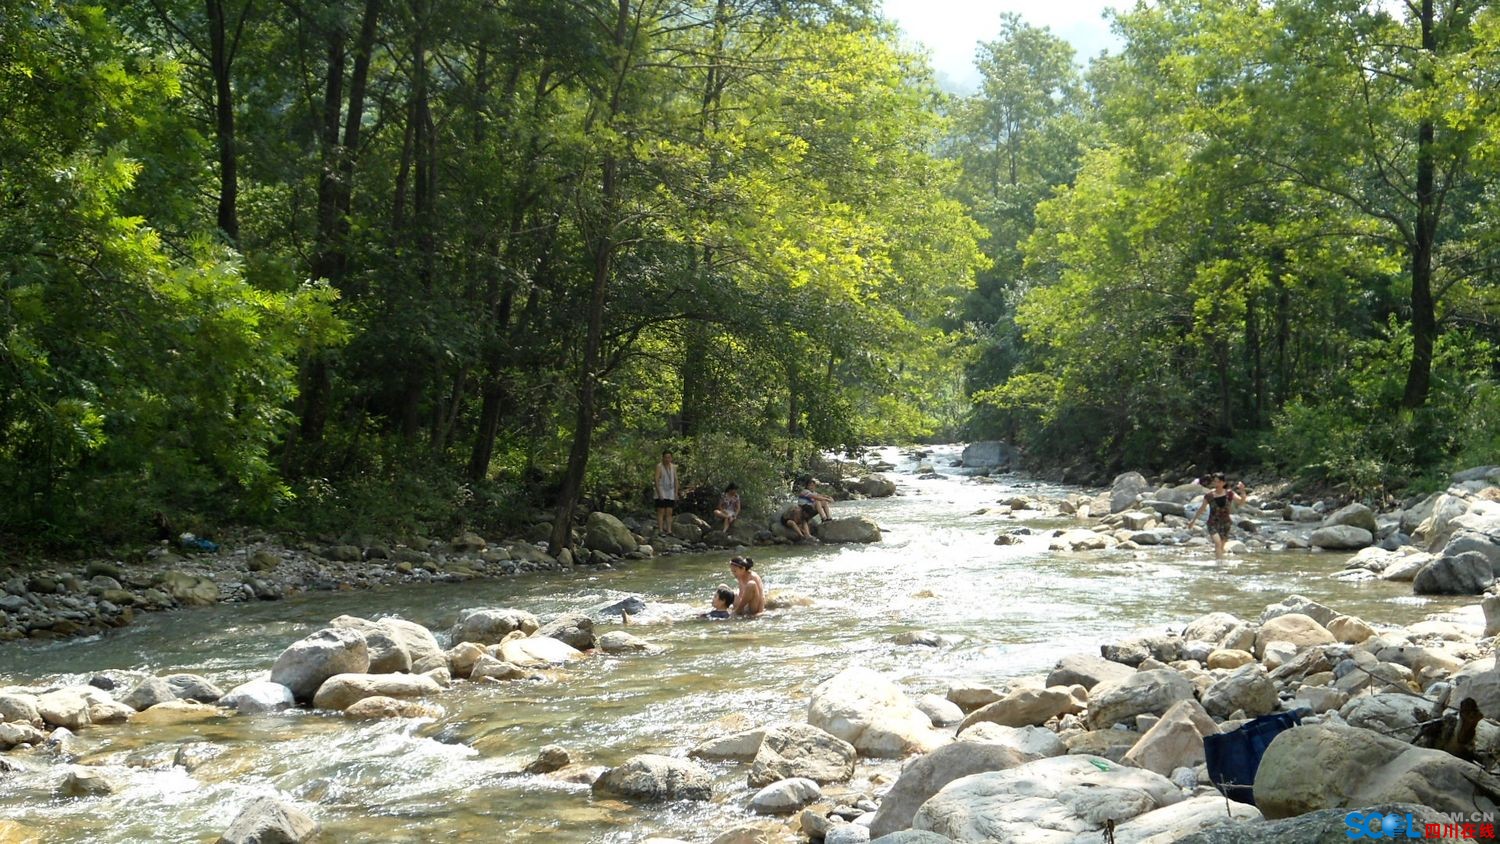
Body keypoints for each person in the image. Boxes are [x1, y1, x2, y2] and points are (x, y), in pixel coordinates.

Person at [1189, 473, 1248, 560]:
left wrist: (1242, 491)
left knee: (1221, 546)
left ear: (1223, 483)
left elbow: (1241, 502)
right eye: (1214, 482)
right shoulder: (1209, 496)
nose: (1216, 484)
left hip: (1226, 523)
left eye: (1218, 482)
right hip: (1213, 523)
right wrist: (1193, 521)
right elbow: (1202, 509)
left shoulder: (1230, 494)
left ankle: (1219, 560)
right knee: (1217, 543)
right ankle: (1219, 565)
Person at [654, 450, 677, 535]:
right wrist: (659, 493)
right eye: (666, 457)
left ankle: (669, 530)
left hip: (670, 491)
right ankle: (660, 530)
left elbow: (676, 479)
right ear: (663, 458)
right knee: (661, 511)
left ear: (671, 458)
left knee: (669, 512)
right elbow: (656, 479)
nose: (667, 459)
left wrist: (676, 492)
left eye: (669, 457)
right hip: (661, 490)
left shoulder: (673, 467)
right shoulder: (659, 466)